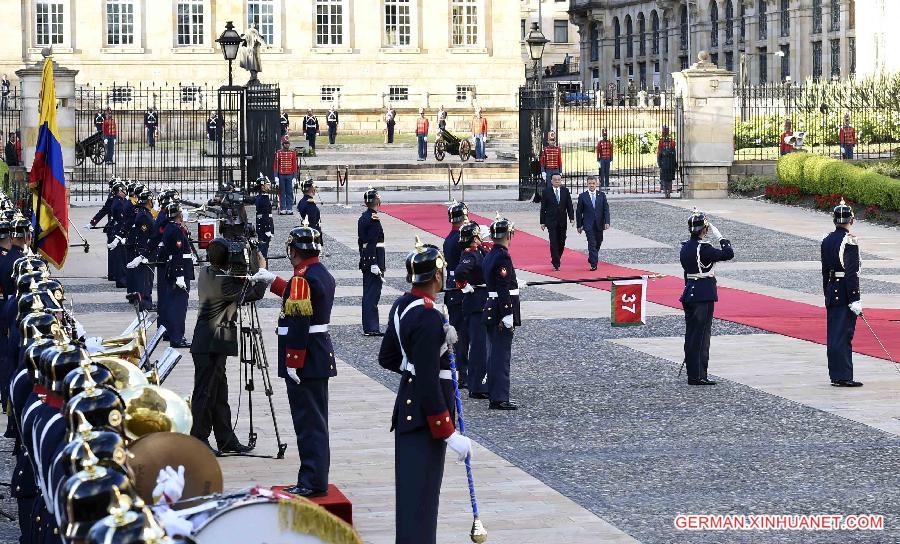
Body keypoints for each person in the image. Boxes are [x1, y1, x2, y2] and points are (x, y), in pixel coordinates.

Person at [378, 240, 474, 544]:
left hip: (409, 411)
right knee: (422, 504)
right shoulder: (429, 316)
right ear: (436, 275)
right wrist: (448, 432)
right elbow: (430, 382)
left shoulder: (402, 305)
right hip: (425, 419)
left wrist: (416, 365)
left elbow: (388, 357)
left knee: (413, 502)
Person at [264, 223, 337, 497]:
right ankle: (315, 476)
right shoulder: (316, 273)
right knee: (315, 421)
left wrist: (293, 361)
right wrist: (274, 282)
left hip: (306, 360)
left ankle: (312, 480)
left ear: (294, 251)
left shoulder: (303, 278)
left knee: (308, 424)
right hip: (317, 356)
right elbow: (301, 300)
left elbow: (299, 321)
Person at [189, 238, 269, 453]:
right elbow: (254, 293)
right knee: (205, 393)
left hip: (213, 340)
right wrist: (261, 268)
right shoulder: (223, 282)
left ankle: (225, 438)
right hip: (210, 342)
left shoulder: (207, 272)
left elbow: (239, 280)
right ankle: (198, 438)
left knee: (218, 393)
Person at [679, 209, 734, 386]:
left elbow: (686, 273)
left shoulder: (685, 247)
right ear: (704, 230)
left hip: (689, 292)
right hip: (703, 294)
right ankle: (699, 376)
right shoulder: (704, 248)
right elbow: (728, 254)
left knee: (691, 335)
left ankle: (693, 374)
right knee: (701, 337)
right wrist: (723, 239)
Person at [483, 214, 523, 410]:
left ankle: (495, 394)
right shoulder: (502, 256)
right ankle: (499, 397)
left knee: (495, 354)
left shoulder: (491, 253)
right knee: (501, 356)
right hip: (500, 311)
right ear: (509, 235)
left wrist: (515, 283)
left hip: (492, 308)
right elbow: (502, 287)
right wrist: (508, 314)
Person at [821, 200, 863, 387]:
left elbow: (824, 271)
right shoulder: (850, 241)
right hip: (845, 291)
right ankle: (844, 376)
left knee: (834, 335)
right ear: (851, 220)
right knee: (844, 335)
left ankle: (836, 375)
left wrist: (827, 292)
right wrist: (855, 298)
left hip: (832, 290)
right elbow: (851, 273)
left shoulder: (827, 239)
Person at [455, 222, 489, 400]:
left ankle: (480, 382)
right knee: (478, 347)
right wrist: (464, 285)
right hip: (476, 305)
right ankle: (476, 385)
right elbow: (460, 272)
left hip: (481, 302)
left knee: (481, 346)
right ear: (474, 237)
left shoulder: (479, 251)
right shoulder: (471, 254)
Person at [160, 202, 193, 348]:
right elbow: (178, 253)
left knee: (174, 304)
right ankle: (177, 337)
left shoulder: (171, 228)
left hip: (174, 268)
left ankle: (174, 334)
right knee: (179, 306)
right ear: (178, 215)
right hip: (179, 270)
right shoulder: (176, 230)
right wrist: (180, 275)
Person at [443, 201, 468, 387]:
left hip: (453, 285)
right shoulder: (461, 239)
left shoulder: (449, 238)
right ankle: (462, 372)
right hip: (460, 287)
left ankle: (460, 370)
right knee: (462, 334)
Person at [358, 188, 385, 336]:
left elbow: (361, 242)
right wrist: (373, 262)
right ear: (377, 201)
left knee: (369, 294)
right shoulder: (374, 219)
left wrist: (364, 259)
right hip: (374, 261)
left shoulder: (363, 217)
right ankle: (371, 327)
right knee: (372, 296)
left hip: (366, 260)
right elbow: (372, 243)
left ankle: (369, 326)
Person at [125, 187, 155, 310]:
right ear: (148, 201)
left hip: (145, 250)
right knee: (145, 280)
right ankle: (145, 304)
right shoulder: (143, 215)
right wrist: (143, 254)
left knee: (147, 278)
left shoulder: (145, 213)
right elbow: (144, 236)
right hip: (144, 250)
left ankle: (146, 302)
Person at [86, 178, 119, 281]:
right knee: (114, 253)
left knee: (118, 253)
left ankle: (116, 274)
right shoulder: (113, 198)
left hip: (116, 227)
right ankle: (113, 274)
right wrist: (92, 222)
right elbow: (104, 210)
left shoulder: (117, 197)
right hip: (114, 228)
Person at [540, 174, 574, 271]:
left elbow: (569, 205)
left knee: (562, 241)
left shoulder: (565, 191)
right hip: (551, 221)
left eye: (559, 180)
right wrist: (542, 222)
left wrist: (571, 218)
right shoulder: (546, 192)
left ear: (561, 181)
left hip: (562, 221)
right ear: (551, 181)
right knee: (553, 242)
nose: (557, 181)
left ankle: (557, 257)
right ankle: (556, 262)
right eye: (555, 180)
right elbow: (543, 208)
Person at [576, 176, 611, 271]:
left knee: (598, 242)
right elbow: (579, 212)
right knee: (592, 243)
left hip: (599, 223)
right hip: (588, 224)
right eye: (590, 183)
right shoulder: (582, 196)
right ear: (587, 184)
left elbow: (606, 209)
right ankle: (594, 264)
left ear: (597, 184)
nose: (591, 185)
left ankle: (592, 257)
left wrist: (607, 221)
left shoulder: (602, 195)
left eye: (593, 183)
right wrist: (579, 225)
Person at [109, 180, 129, 288]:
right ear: (120, 191)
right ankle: (121, 281)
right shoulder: (118, 203)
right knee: (121, 257)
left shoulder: (120, 200)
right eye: (124, 190)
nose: (126, 191)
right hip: (120, 230)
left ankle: (122, 279)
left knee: (122, 256)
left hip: (119, 229)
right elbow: (123, 218)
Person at [273, 138, 298, 215]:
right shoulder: (278, 153)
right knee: (282, 192)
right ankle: (283, 208)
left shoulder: (292, 153)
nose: (287, 145)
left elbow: (294, 165)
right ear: (283, 144)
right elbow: (275, 165)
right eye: (285, 143)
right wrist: (276, 176)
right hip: (281, 175)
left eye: (288, 143)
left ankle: (289, 208)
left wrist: (294, 177)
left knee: (289, 192)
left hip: (290, 175)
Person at [255, 175, 274, 259]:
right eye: (267, 184)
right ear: (262, 187)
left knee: (263, 249)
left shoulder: (261, 197)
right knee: (263, 252)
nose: (269, 186)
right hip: (264, 228)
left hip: (261, 226)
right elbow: (265, 215)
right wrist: (267, 229)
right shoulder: (263, 199)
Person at [656, 125, 677, 198]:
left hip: (669, 163)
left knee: (668, 179)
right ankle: (666, 191)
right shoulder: (662, 141)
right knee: (665, 179)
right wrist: (659, 162)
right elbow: (659, 153)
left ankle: (668, 191)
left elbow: (674, 153)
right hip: (665, 162)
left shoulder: (671, 141)